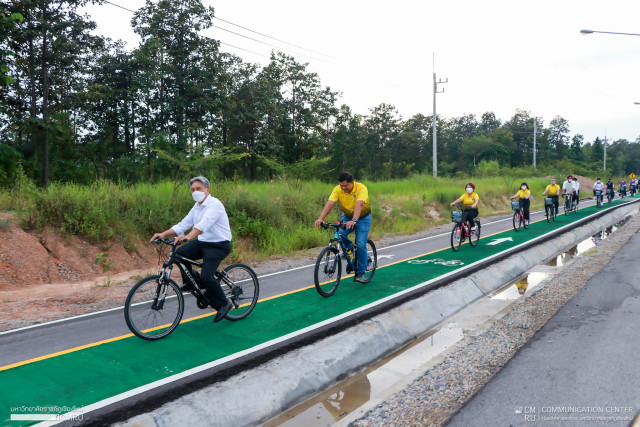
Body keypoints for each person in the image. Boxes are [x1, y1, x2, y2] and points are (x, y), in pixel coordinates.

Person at [150, 176, 233, 323]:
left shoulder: (215, 205)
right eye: (193, 189)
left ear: (207, 190)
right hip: (203, 242)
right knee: (177, 254)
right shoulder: (197, 206)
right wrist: (163, 234)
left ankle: (224, 303)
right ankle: (191, 281)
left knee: (207, 277)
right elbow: (184, 223)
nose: (195, 192)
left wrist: (187, 237)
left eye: (198, 189)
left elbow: (203, 225)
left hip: (219, 244)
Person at [315, 172, 372, 283]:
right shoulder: (338, 189)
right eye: (341, 185)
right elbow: (330, 203)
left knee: (360, 244)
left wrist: (354, 220)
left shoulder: (361, 188)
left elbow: (359, 204)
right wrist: (320, 218)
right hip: (347, 217)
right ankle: (349, 249)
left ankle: (360, 273)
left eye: (346, 186)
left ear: (352, 183)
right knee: (340, 234)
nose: (343, 188)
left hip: (362, 218)